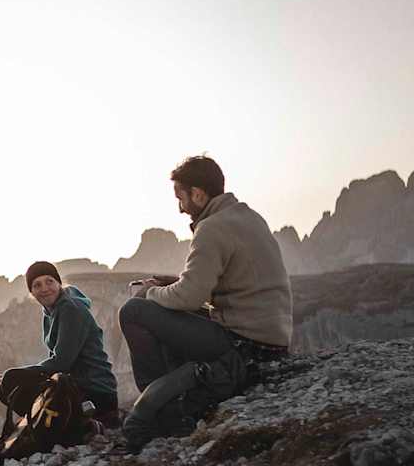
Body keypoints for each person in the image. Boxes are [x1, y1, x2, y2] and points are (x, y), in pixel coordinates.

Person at [117, 155, 292, 394]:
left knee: (133, 310)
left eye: (181, 198)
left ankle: (157, 399)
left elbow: (189, 298)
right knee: (167, 305)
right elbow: (232, 284)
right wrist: (177, 283)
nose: (180, 208)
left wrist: (151, 291)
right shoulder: (250, 217)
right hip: (273, 340)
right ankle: (179, 386)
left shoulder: (211, 227)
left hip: (246, 345)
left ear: (198, 194)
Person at [0, 261, 120, 428]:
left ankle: (73, 426)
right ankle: (49, 426)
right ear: (31, 292)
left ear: (59, 283)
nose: (44, 288)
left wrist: (20, 374)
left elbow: (62, 361)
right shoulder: (51, 310)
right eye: (37, 285)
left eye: (49, 281)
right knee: (6, 389)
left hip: (95, 391)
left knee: (11, 380)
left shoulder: (71, 309)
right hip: (74, 385)